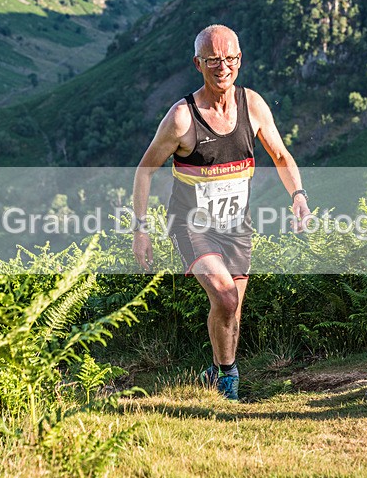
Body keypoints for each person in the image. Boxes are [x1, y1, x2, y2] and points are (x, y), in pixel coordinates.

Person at [131, 24, 310, 401]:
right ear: (198, 63)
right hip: (191, 224)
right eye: (213, 60)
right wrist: (140, 229)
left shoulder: (253, 105)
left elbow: (280, 155)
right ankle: (229, 384)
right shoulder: (182, 117)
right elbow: (145, 169)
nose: (222, 67)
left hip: (236, 225)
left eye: (229, 58)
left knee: (232, 309)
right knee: (226, 298)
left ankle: (213, 372)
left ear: (239, 61)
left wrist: (297, 194)